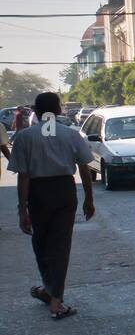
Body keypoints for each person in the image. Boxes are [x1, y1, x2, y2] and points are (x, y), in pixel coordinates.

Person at [6, 93, 95, 318]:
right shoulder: (72, 135)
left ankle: (53, 295)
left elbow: (23, 176)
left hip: (39, 193)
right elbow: (85, 169)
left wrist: (22, 209)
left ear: (35, 111)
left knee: (41, 243)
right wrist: (88, 199)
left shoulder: (25, 137)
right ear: (58, 110)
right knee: (60, 245)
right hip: (64, 191)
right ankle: (53, 294)